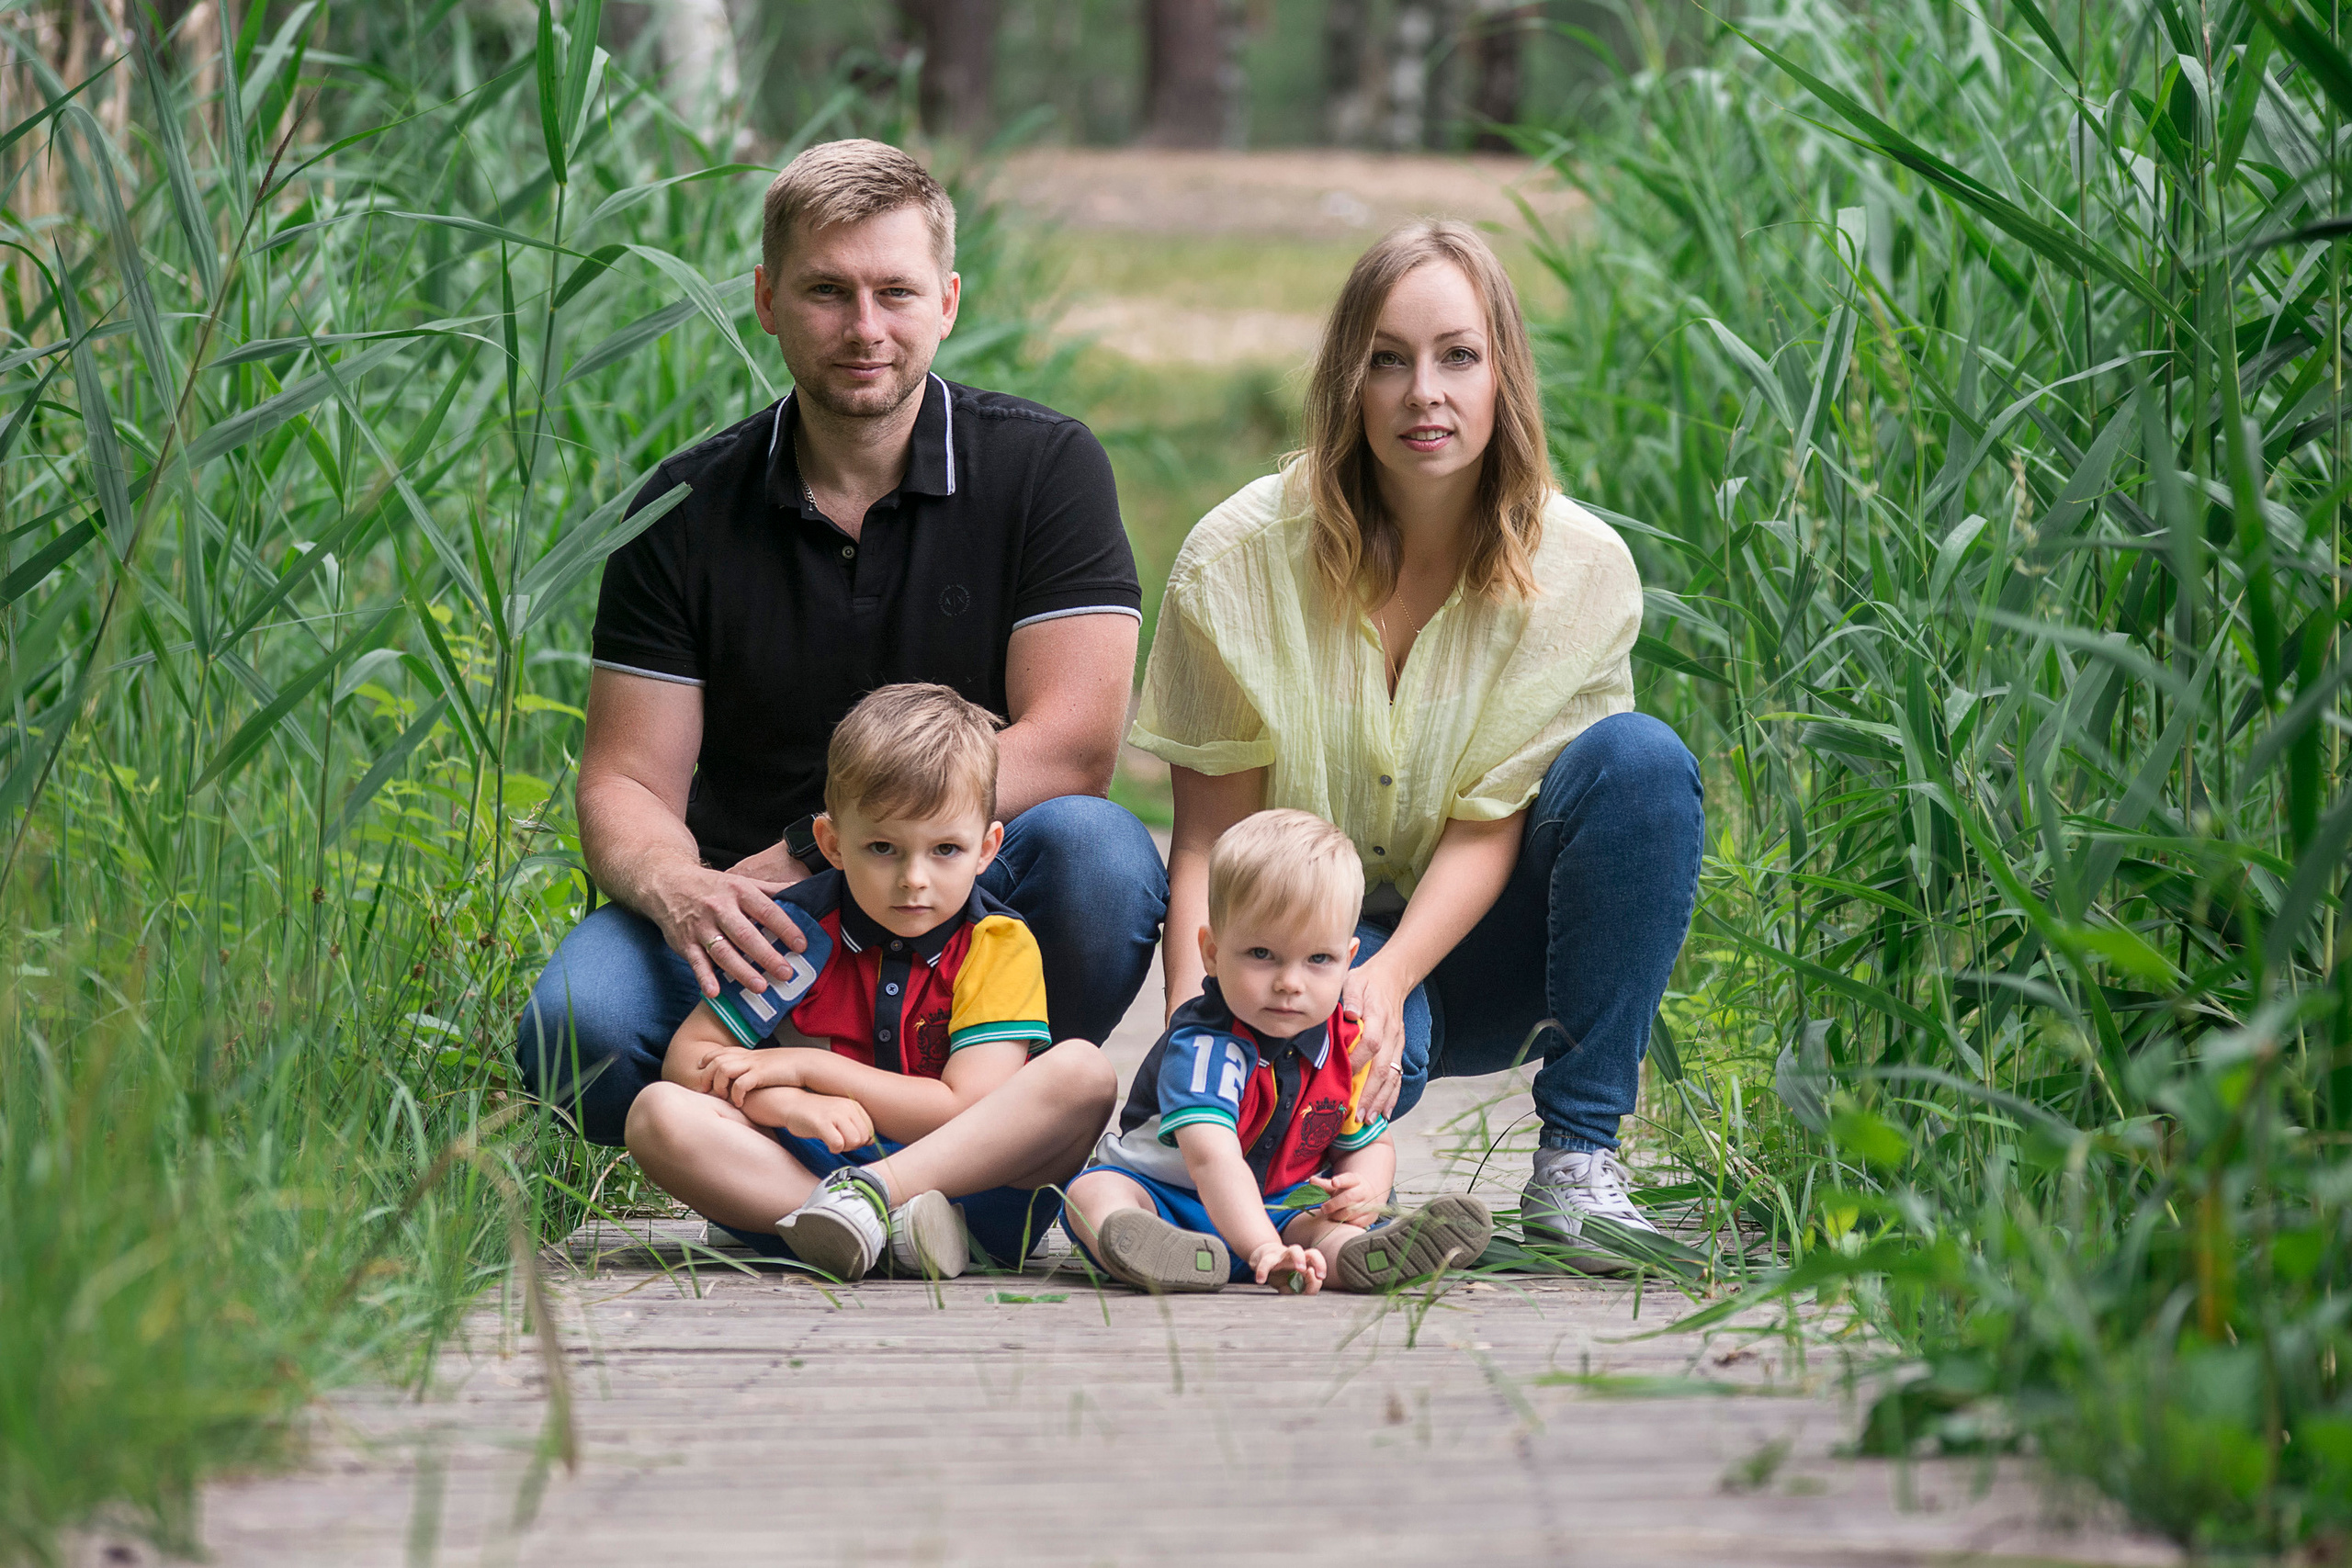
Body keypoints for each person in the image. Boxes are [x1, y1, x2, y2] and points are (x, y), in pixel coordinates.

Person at [517, 139, 1167, 1150]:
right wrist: (685, 890)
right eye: (827, 291)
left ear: (946, 302)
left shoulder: (1045, 468)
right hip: (759, 931)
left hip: (951, 892)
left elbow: (1075, 745)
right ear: (767, 300)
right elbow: (623, 782)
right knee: (577, 1027)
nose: (865, 328)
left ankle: (998, 1148)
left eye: (895, 292)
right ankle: (806, 1148)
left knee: (1099, 856)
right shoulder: (682, 507)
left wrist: (810, 845)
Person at [1128, 220, 1704, 1273]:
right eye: (1387, 360)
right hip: (1293, 954)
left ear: (1503, 374)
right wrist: (1190, 1042)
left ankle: (1577, 1161)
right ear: (1346, 381)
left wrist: (1387, 977)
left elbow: (1492, 822)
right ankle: (1313, 1209)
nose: (1422, 394)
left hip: (1494, 947)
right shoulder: (1236, 562)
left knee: (1643, 764)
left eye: (1457, 357)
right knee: (1320, 1070)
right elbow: (1208, 840)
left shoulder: (1580, 568)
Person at [624, 683, 1116, 1282]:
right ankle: (858, 1230)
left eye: (945, 849)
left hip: (974, 1196)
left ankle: (856, 1208)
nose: (914, 879)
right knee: (657, 1114)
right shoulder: (800, 935)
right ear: (832, 843)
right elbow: (691, 1060)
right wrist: (791, 1104)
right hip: (815, 1166)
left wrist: (811, 1070)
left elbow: (962, 1110)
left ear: (987, 848)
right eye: (883, 847)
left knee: (1085, 1074)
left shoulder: (994, 945)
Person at [1065, 809, 1491, 1294]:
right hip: (1167, 1199)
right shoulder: (1205, 1046)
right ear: (1211, 953)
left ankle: (1361, 1256)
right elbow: (1212, 1159)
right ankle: (1154, 1250)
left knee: (1325, 1227)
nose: (1290, 982)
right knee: (1095, 1192)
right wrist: (1262, 1247)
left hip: (1280, 1209)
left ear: (1349, 960)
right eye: (1262, 954)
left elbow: (1371, 1142)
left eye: (1318, 959)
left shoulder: (1346, 1044)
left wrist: (1364, 1192)